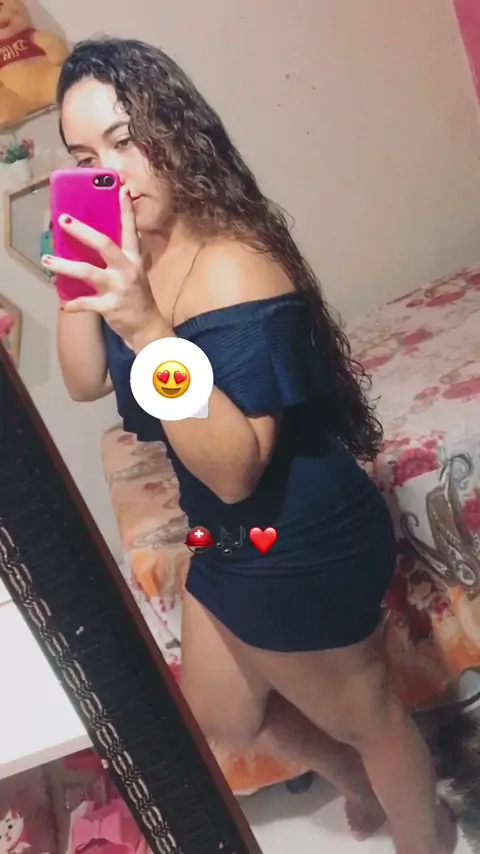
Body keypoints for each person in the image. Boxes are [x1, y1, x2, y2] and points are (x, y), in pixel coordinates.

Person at [46, 37, 456, 854]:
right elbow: (85, 381)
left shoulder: (236, 266)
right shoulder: (136, 258)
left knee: (369, 712)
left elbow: (235, 469)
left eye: (125, 140)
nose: (111, 173)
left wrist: (147, 328)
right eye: (86, 159)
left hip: (299, 532)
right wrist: (77, 285)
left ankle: (430, 835)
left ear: (175, 128)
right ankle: (350, 777)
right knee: (223, 713)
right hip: (227, 534)